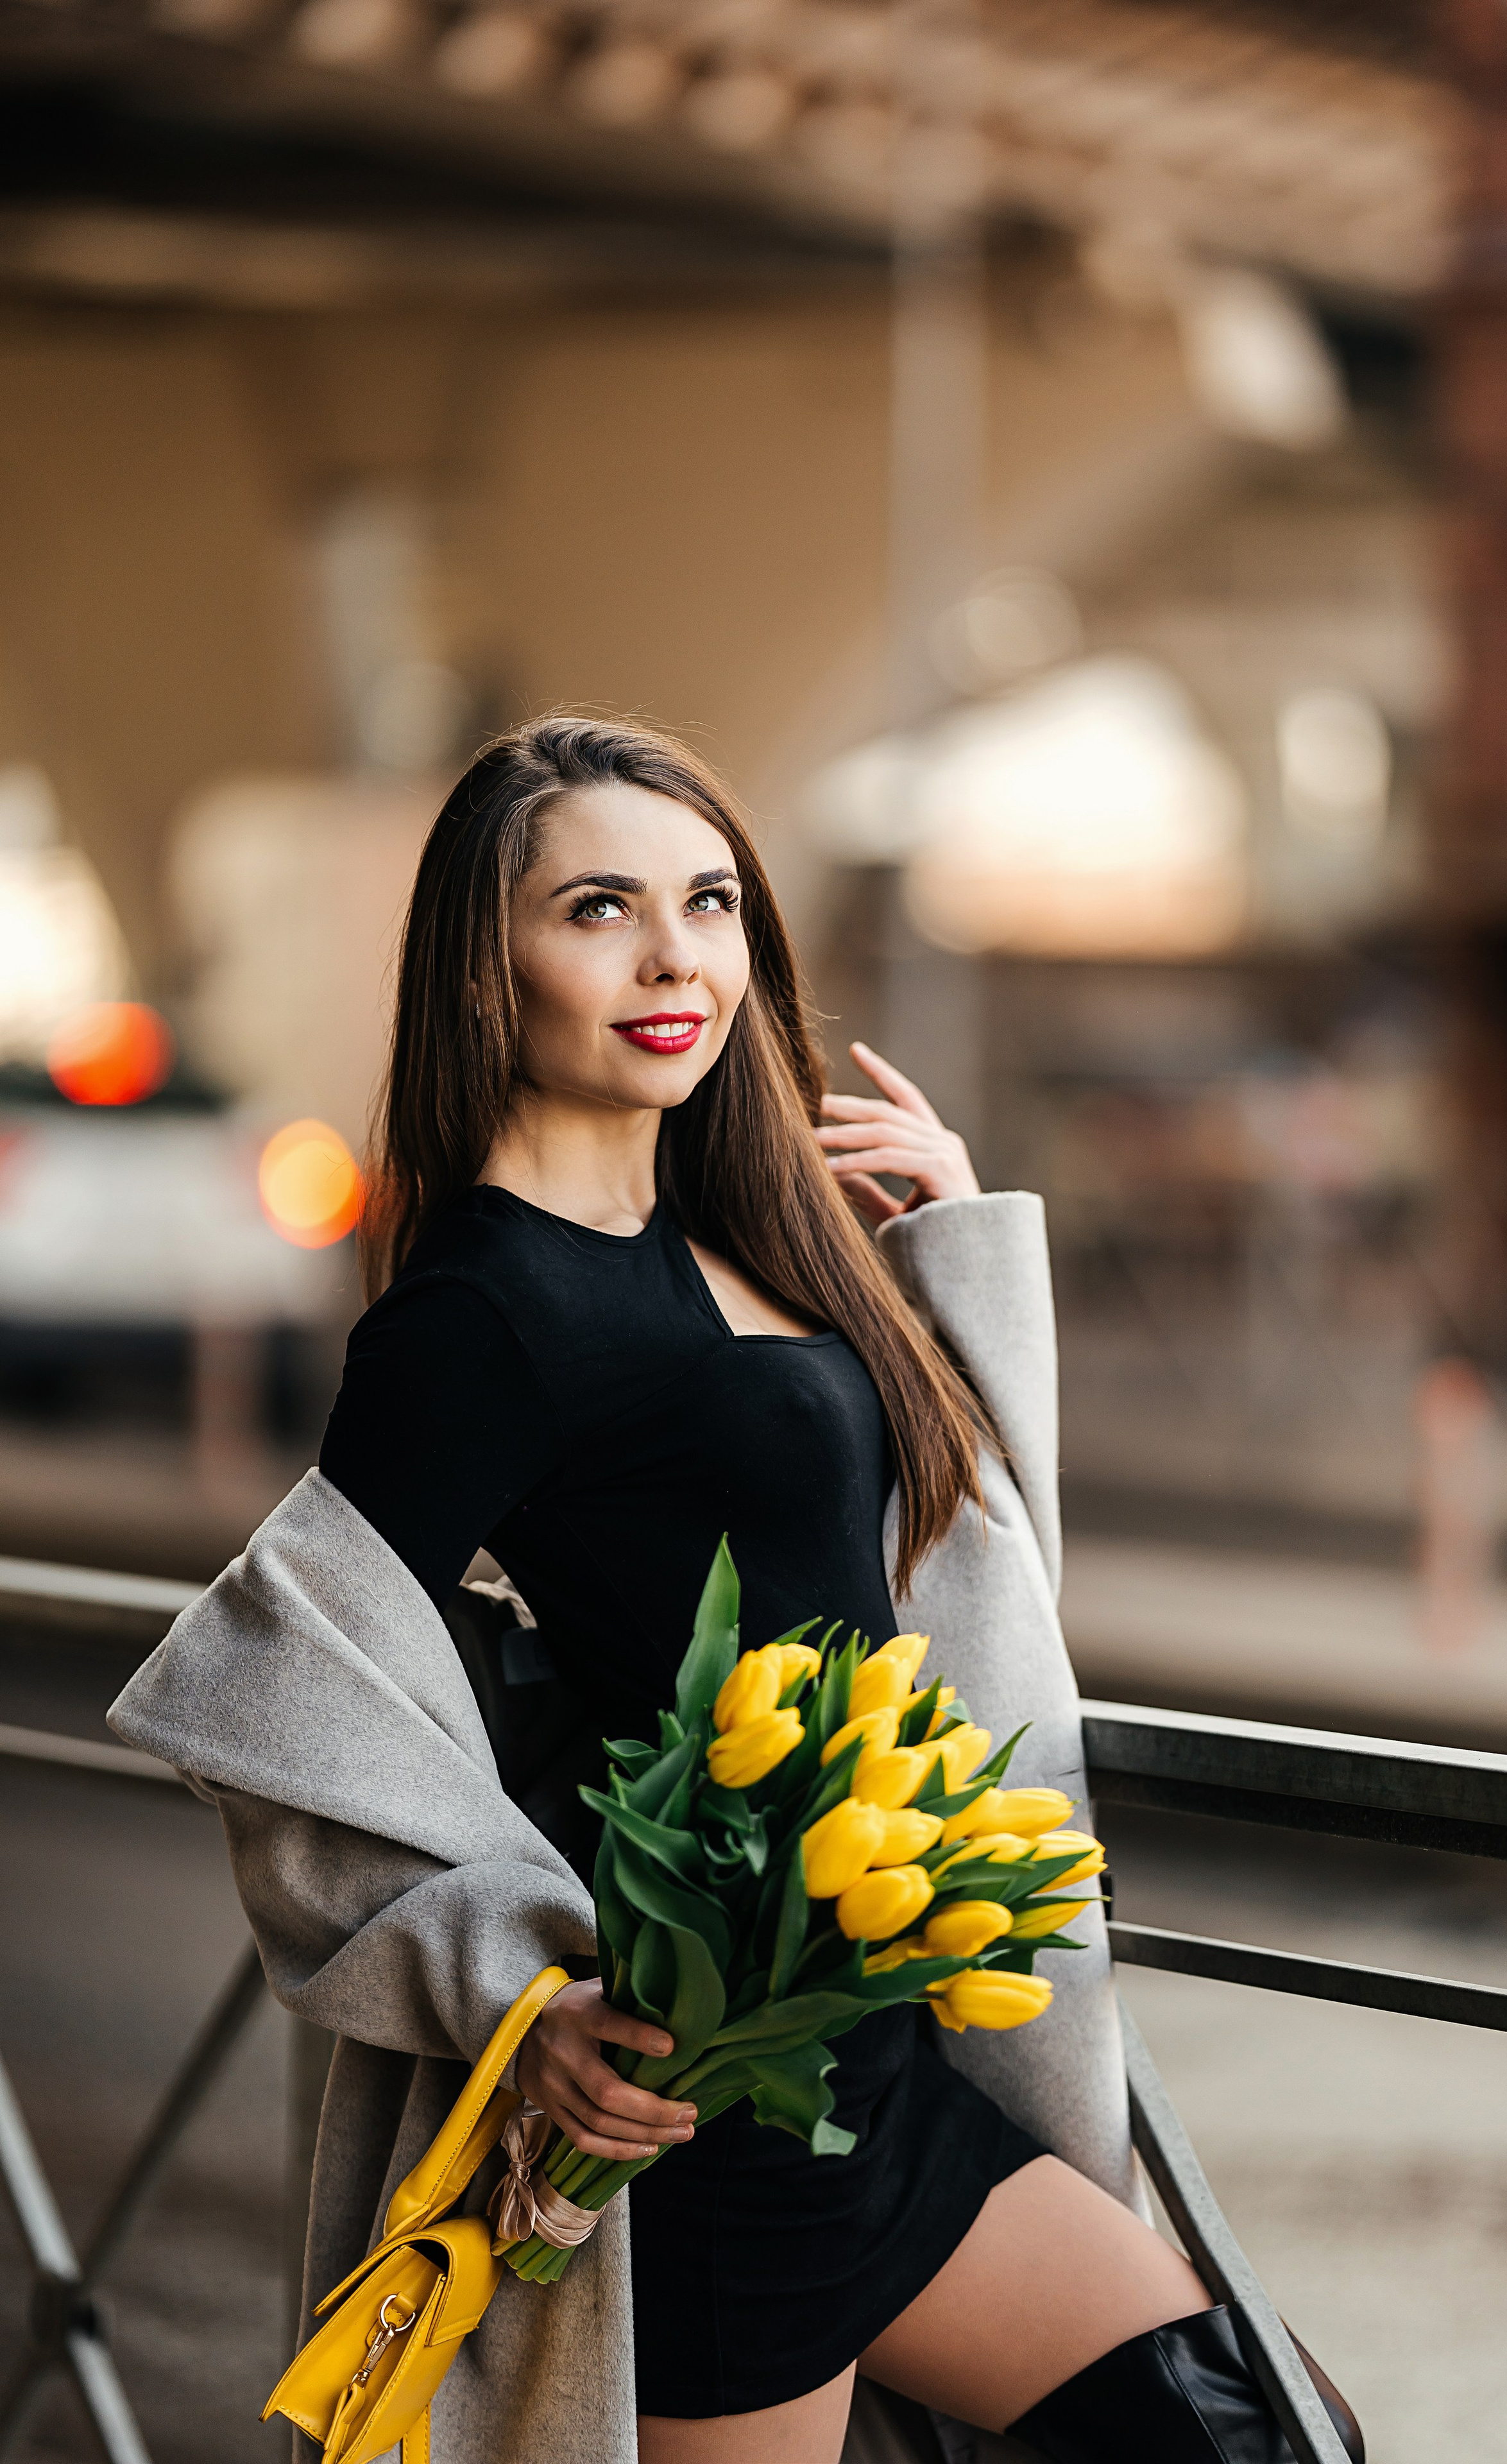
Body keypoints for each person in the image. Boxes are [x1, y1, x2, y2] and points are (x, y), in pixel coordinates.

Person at [112, 715, 1361, 2464]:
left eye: (708, 902)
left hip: (884, 2063)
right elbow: (279, 1686)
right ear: (489, 971)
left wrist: (943, 1254)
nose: (674, 953)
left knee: (1255, 2431)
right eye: (600, 909)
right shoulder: (478, 1311)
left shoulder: (739, 1241)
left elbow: (952, 1583)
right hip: (712, 2106)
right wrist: (514, 1992)